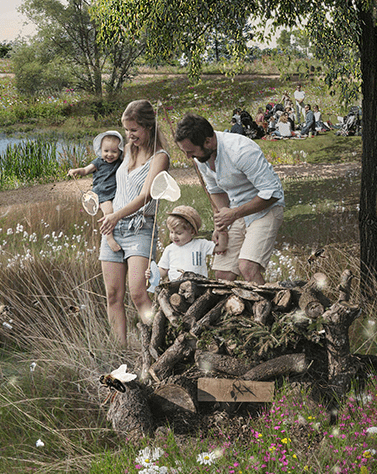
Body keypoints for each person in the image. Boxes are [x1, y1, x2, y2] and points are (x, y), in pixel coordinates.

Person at [174, 114, 285, 283]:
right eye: (185, 152)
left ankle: (269, 308)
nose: (189, 157)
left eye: (190, 151)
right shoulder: (201, 157)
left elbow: (272, 193)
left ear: (208, 141)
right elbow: (216, 190)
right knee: (222, 274)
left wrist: (233, 215)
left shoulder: (241, 151)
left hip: (266, 208)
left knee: (247, 267)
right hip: (237, 210)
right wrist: (220, 227)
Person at [95, 99, 168, 352]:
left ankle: (155, 347)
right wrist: (106, 208)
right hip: (113, 229)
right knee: (113, 295)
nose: (129, 135)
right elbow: (104, 172)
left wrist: (116, 215)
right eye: (127, 130)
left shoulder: (160, 157)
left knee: (138, 293)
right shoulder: (126, 150)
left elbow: (146, 195)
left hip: (140, 228)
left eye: (134, 130)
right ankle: (121, 350)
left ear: (148, 127)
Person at [155, 205, 215, 291]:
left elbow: (219, 248)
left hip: (199, 287)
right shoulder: (169, 249)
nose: (174, 236)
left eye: (179, 233)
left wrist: (221, 231)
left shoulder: (201, 244)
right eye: (171, 232)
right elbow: (163, 269)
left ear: (192, 231)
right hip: (176, 288)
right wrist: (154, 273)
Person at [65, 130, 124, 217]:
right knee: (109, 212)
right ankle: (107, 229)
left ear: (120, 151)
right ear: (101, 149)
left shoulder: (120, 162)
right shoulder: (98, 162)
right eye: (106, 151)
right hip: (103, 194)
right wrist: (76, 171)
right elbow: (85, 170)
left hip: (116, 193)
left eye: (114, 152)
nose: (109, 154)